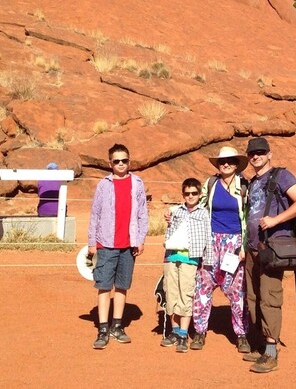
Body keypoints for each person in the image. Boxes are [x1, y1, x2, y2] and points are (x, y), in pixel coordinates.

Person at [242, 137, 296, 373]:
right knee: (253, 298)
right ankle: (261, 345)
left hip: (272, 250)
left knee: (269, 297)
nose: (256, 156)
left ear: (269, 154)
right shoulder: (252, 182)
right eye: (252, 153)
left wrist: (275, 220)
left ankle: (271, 352)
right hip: (252, 249)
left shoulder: (281, 176)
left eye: (260, 152)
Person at [190, 146, 251, 353]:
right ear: (217, 164)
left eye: (231, 161)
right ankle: (199, 330)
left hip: (234, 243)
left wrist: (244, 247)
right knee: (203, 286)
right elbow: (199, 208)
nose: (226, 164)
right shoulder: (211, 183)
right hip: (211, 240)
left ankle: (241, 333)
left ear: (236, 164)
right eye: (222, 161)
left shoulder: (244, 185)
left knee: (236, 290)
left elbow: (249, 217)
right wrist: (175, 215)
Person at [88, 144, 148, 349]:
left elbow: (142, 214)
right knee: (104, 286)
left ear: (129, 162)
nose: (121, 164)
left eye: (124, 161)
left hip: (128, 244)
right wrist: (91, 243)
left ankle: (117, 325)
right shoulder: (103, 185)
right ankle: (103, 328)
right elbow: (95, 214)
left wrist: (140, 239)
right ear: (110, 163)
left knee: (122, 286)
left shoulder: (137, 183)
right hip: (106, 243)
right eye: (117, 161)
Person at [160, 178, 210, 353]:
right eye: (187, 193)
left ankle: (183, 333)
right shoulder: (176, 211)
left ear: (199, 194)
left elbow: (208, 237)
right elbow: (169, 231)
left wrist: (208, 260)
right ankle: (174, 331)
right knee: (171, 293)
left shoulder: (203, 213)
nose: (190, 196)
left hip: (191, 259)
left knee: (186, 294)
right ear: (183, 195)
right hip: (171, 257)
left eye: (194, 193)